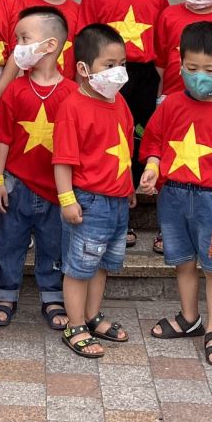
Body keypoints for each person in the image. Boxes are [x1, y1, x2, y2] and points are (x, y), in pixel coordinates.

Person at [140, 21, 212, 367]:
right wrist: (152, 167)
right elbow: (154, 143)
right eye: (191, 68)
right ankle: (190, 318)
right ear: (179, 64)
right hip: (173, 197)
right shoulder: (170, 105)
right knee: (183, 263)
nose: (199, 76)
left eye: (210, 70)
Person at [0, 7, 77, 331]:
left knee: (53, 245)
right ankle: (5, 293)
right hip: (15, 185)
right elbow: (2, 138)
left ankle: (52, 296)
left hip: (55, 189)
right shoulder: (14, 90)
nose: (18, 47)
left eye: (25, 39)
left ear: (50, 45)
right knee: (8, 241)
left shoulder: (72, 93)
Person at [52, 23, 135, 359]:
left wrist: (129, 187)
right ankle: (74, 326)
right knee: (79, 267)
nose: (118, 72)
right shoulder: (73, 107)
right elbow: (63, 160)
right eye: (109, 64)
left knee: (101, 264)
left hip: (118, 200)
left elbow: (125, 147)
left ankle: (92, 315)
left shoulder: (120, 102)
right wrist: (67, 199)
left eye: (122, 64)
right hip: (89, 202)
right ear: (84, 69)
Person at [80, 0, 167, 136]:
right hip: (108, 74)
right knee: (107, 132)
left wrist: (159, 82)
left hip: (146, 77)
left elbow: (162, 44)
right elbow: (84, 41)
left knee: (140, 135)